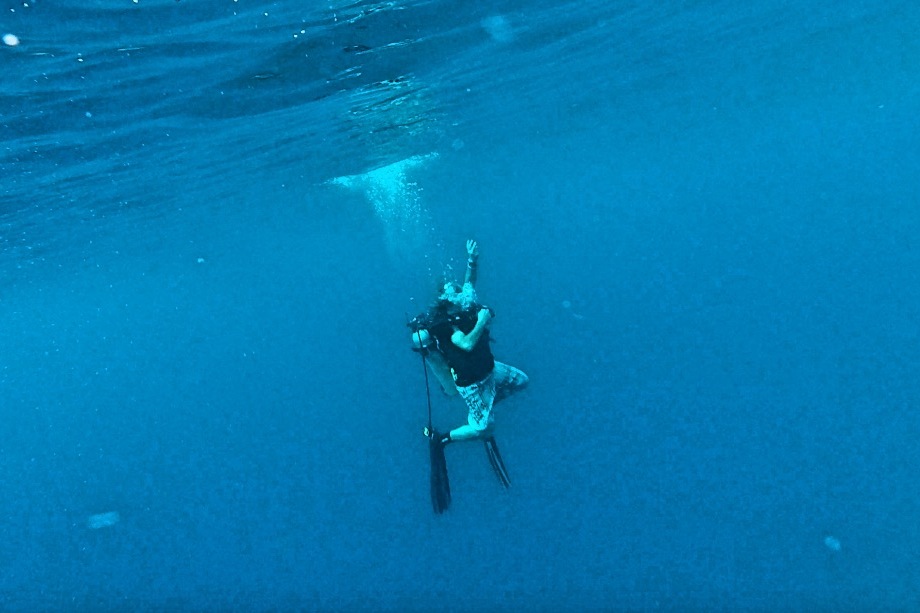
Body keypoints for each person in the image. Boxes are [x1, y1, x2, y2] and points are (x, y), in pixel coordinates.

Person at [410, 240, 529, 446]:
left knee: (521, 381)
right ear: (444, 298)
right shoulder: (445, 324)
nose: (458, 293)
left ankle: (484, 406)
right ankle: (444, 438)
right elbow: (465, 344)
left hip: (490, 370)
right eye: (452, 292)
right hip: (472, 384)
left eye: (456, 288)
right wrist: (482, 321)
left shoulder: (465, 303)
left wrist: (472, 260)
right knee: (483, 429)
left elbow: (470, 282)